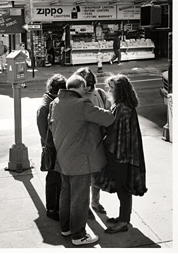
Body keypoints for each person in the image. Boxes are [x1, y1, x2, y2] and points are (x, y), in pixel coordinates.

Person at [49, 74, 114, 246]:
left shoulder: (55, 103)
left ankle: (66, 228)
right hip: (79, 160)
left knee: (66, 194)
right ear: (82, 88)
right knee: (80, 198)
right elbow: (107, 118)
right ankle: (79, 235)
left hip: (62, 158)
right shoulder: (81, 104)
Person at [97, 74, 147, 234]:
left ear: (119, 90)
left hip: (120, 154)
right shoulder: (124, 105)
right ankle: (123, 217)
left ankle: (124, 221)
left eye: (111, 88)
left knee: (123, 188)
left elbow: (114, 132)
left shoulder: (121, 108)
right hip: (125, 153)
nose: (109, 90)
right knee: (122, 187)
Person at [74, 67, 111, 219]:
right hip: (82, 142)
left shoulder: (100, 93)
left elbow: (108, 110)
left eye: (91, 84)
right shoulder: (76, 96)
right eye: (86, 84)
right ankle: (85, 205)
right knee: (84, 178)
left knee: (97, 175)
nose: (88, 87)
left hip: (98, 140)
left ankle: (95, 202)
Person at [37, 74, 67, 221]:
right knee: (53, 179)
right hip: (52, 147)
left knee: (56, 179)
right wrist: (54, 146)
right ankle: (51, 208)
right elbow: (44, 132)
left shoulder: (50, 101)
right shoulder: (46, 106)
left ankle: (55, 206)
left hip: (55, 145)